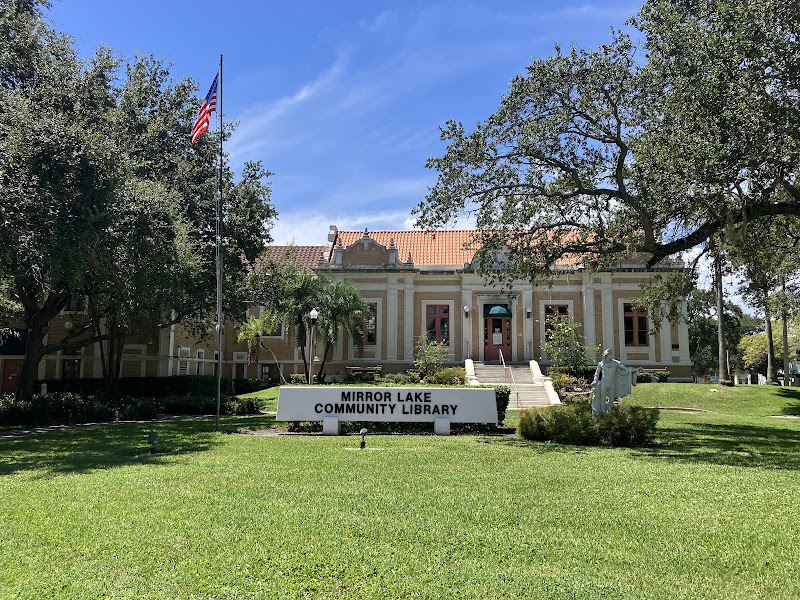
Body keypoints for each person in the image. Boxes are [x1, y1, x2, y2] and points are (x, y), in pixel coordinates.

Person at [591, 348, 638, 414]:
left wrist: (636, 369)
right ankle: (603, 414)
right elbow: (597, 373)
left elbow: (626, 369)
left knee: (611, 399)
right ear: (606, 355)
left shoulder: (615, 363)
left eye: (611, 354)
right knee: (603, 399)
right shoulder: (601, 364)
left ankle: (609, 412)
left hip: (612, 384)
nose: (611, 356)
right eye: (610, 354)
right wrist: (595, 381)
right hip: (604, 384)